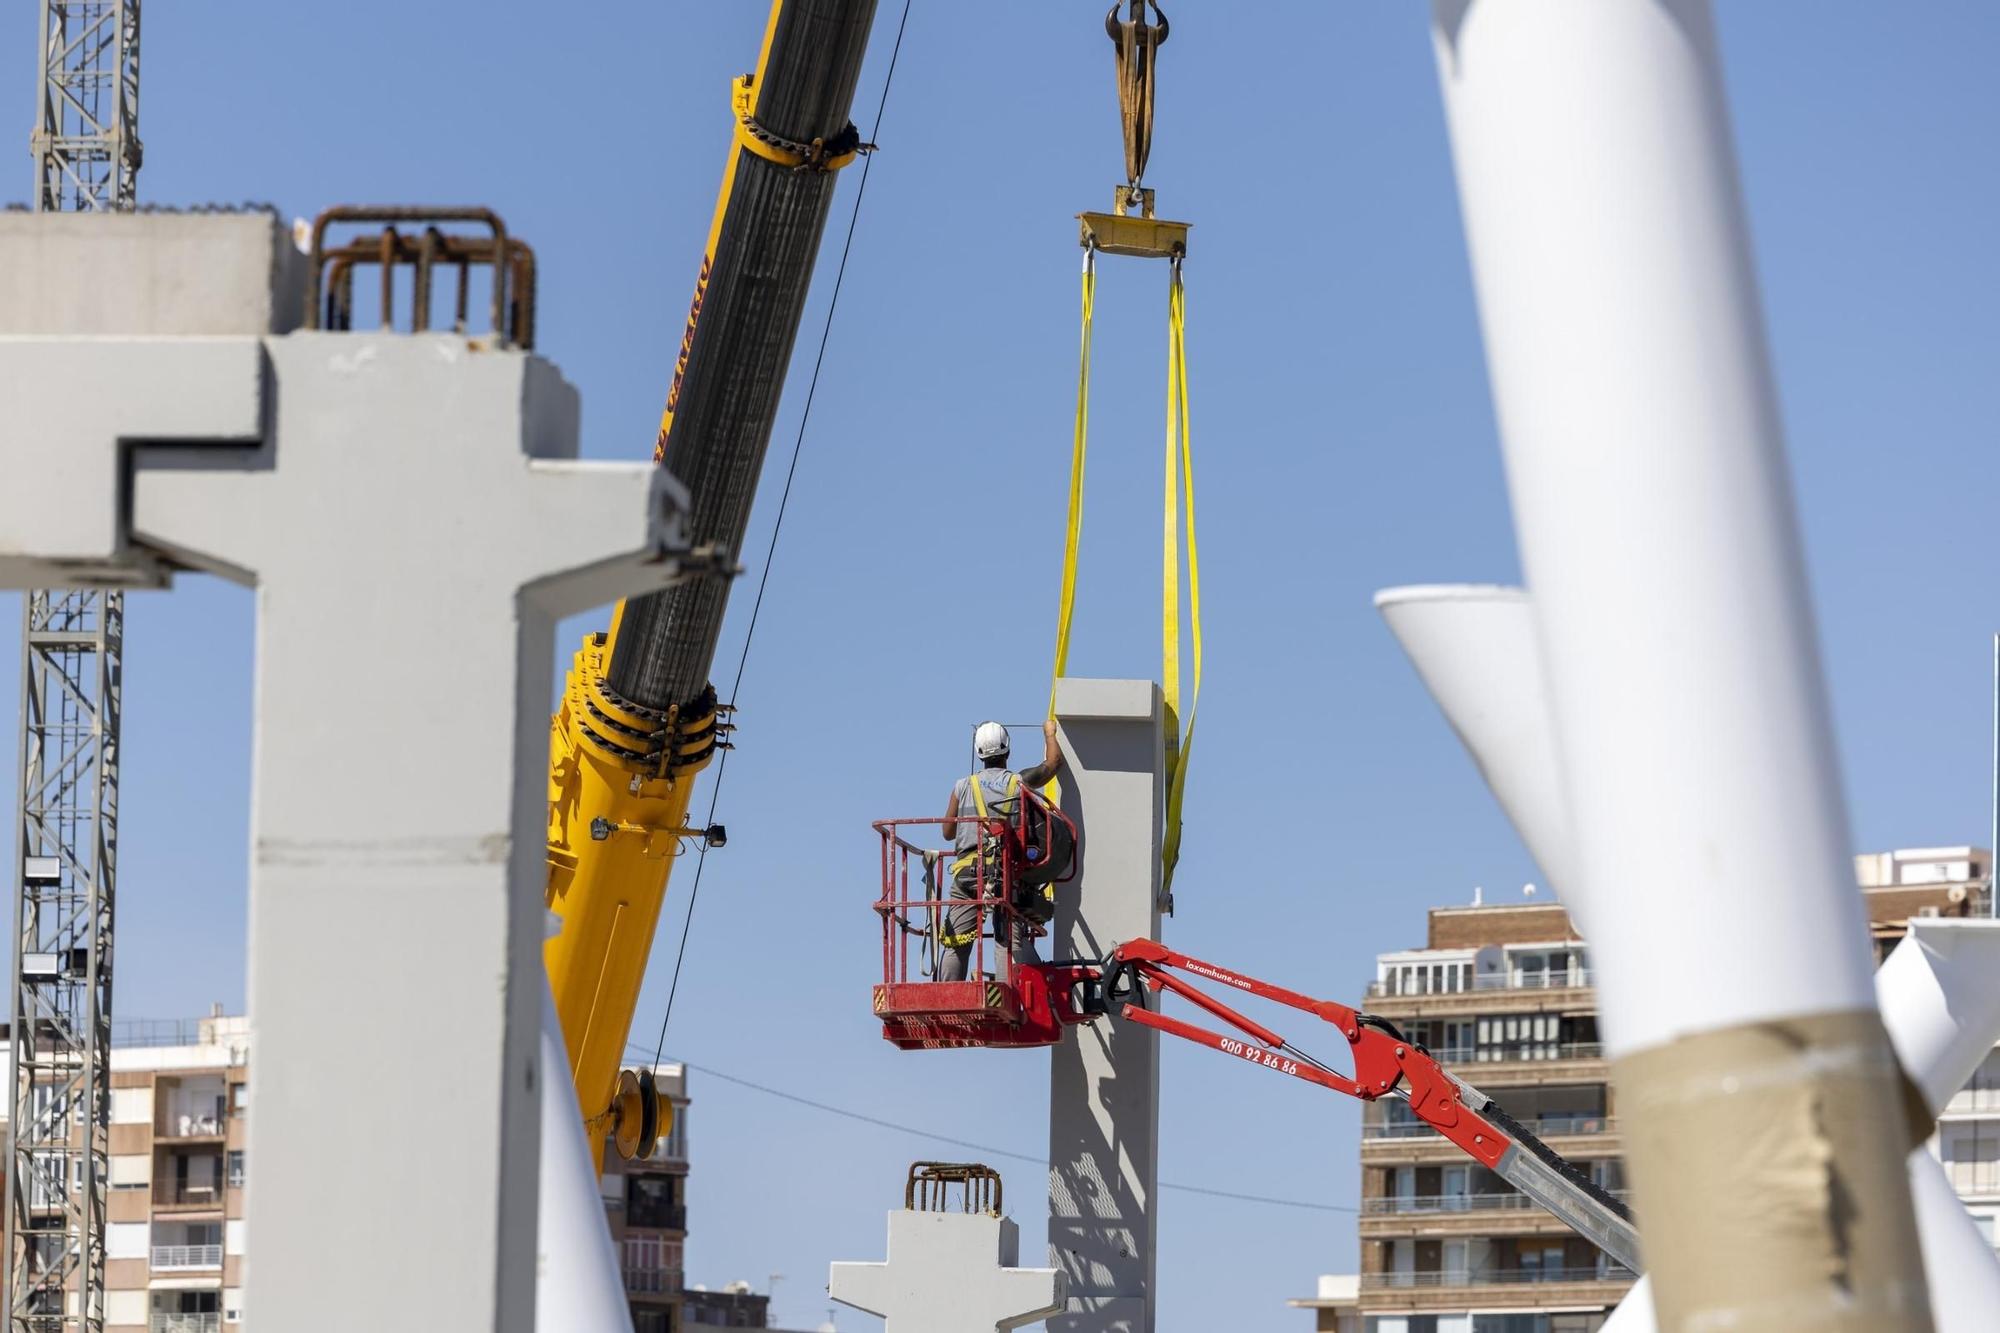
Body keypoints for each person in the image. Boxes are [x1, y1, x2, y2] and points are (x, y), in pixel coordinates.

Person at [935, 719, 1065, 983]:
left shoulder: (963, 786)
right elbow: (1052, 765)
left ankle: (948, 992)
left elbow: (947, 833)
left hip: (966, 874)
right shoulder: (1017, 783)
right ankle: (1008, 993)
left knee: (955, 940)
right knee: (1007, 939)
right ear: (1007, 751)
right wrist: (1050, 734)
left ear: (979, 753)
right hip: (1003, 873)